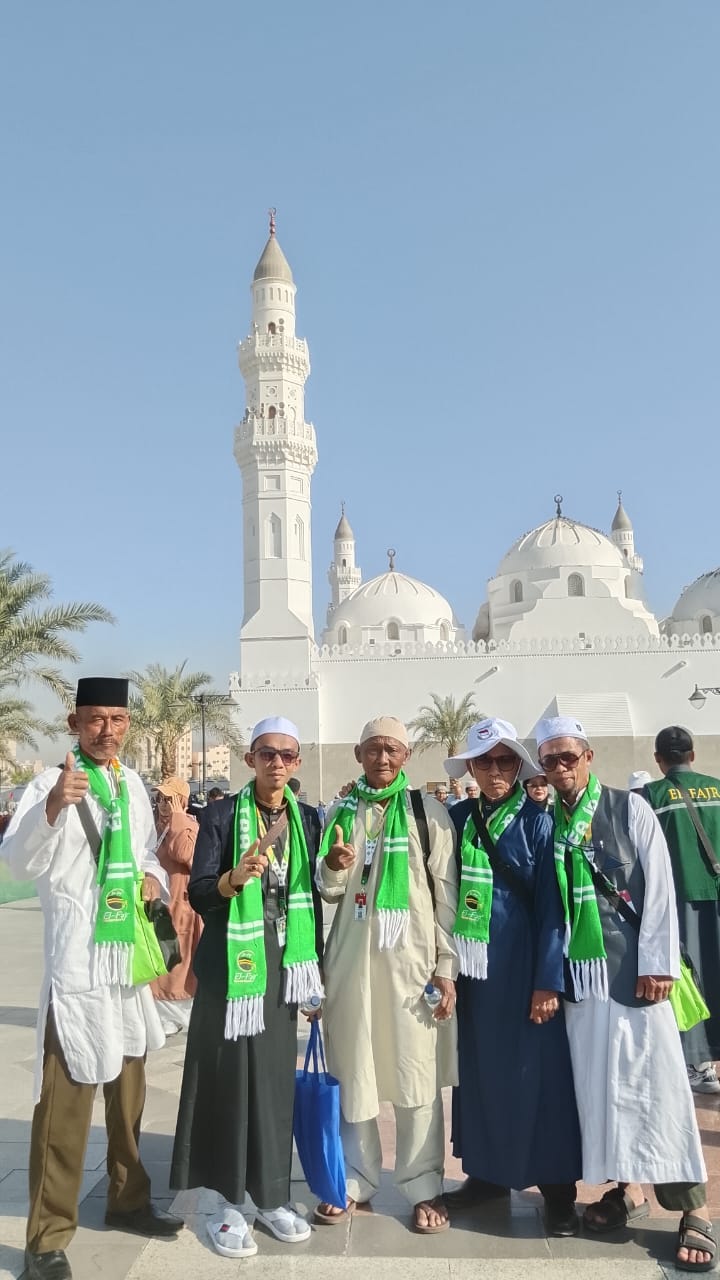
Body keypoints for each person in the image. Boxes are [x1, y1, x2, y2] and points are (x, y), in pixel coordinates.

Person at [1, 677, 183, 1280]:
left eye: (118, 720)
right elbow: (17, 861)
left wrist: (153, 877)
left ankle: (128, 1200)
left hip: (124, 965)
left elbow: (147, 851)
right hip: (78, 968)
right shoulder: (48, 784)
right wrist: (54, 806)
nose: (108, 730)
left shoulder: (131, 785)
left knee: (129, 1095)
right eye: (96, 719)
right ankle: (46, 1240)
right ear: (74, 723)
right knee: (64, 1105)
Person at [535, 715, 713, 1273]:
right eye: (550, 759)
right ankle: (628, 1190)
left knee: (658, 1089)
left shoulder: (628, 808)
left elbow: (659, 887)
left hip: (635, 974)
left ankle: (694, 1208)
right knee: (602, 1093)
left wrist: (657, 964)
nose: (560, 767)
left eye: (569, 756)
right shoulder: (548, 821)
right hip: (583, 980)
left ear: (588, 757)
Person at [170, 716, 324, 1259]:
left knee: (275, 1082)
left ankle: (272, 1195)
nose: (276, 762)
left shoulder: (308, 818)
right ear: (249, 759)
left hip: (284, 962)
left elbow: (315, 895)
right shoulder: (219, 815)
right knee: (227, 1077)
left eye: (287, 754)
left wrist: (315, 974)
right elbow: (199, 893)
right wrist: (234, 879)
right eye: (266, 753)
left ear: (297, 762)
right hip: (231, 964)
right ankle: (226, 1202)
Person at [314, 716, 458, 1235]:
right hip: (353, 964)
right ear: (358, 755)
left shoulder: (427, 813)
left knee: (416, 1075)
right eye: (373, 749)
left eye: (392, 749)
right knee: (355, 1070)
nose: (382, 758)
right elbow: (328, 890)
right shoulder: (341, 812)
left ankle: (423, 1185)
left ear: (406, 755)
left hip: (412, 966)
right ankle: (356, 1180)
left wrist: (446, 968)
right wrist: (334, 864)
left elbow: (447, 898)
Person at [443, 719, 581, 1236]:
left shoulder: (539, 824)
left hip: (524, 975)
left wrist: (547, 980)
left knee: (540, 1079)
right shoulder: (457, 818)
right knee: (481, 1075)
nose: (495, 770)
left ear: (519, 768)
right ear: (471, 768)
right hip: (475, 975)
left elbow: (552, 909)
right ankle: (487, 1174)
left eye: (505, 761)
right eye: (485, 761)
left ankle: (559, 1192)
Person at [644, 726, 720, 1095]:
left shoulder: (651, 796)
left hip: (680, 899)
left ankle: (700, 1064)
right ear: (692, 754)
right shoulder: (717, 788)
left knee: (693, 980)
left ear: (659, 759)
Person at [150, 777, 202, 1035]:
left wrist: (179, 818)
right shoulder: (157, 827)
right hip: (161, 908)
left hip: (182, 910)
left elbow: (184, 853)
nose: (163, 804)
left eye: (169, 799)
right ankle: (162, 1015)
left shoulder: (190, 826)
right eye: (160, 798)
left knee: (178, 965)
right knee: (161, 961)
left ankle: (177, 1015)